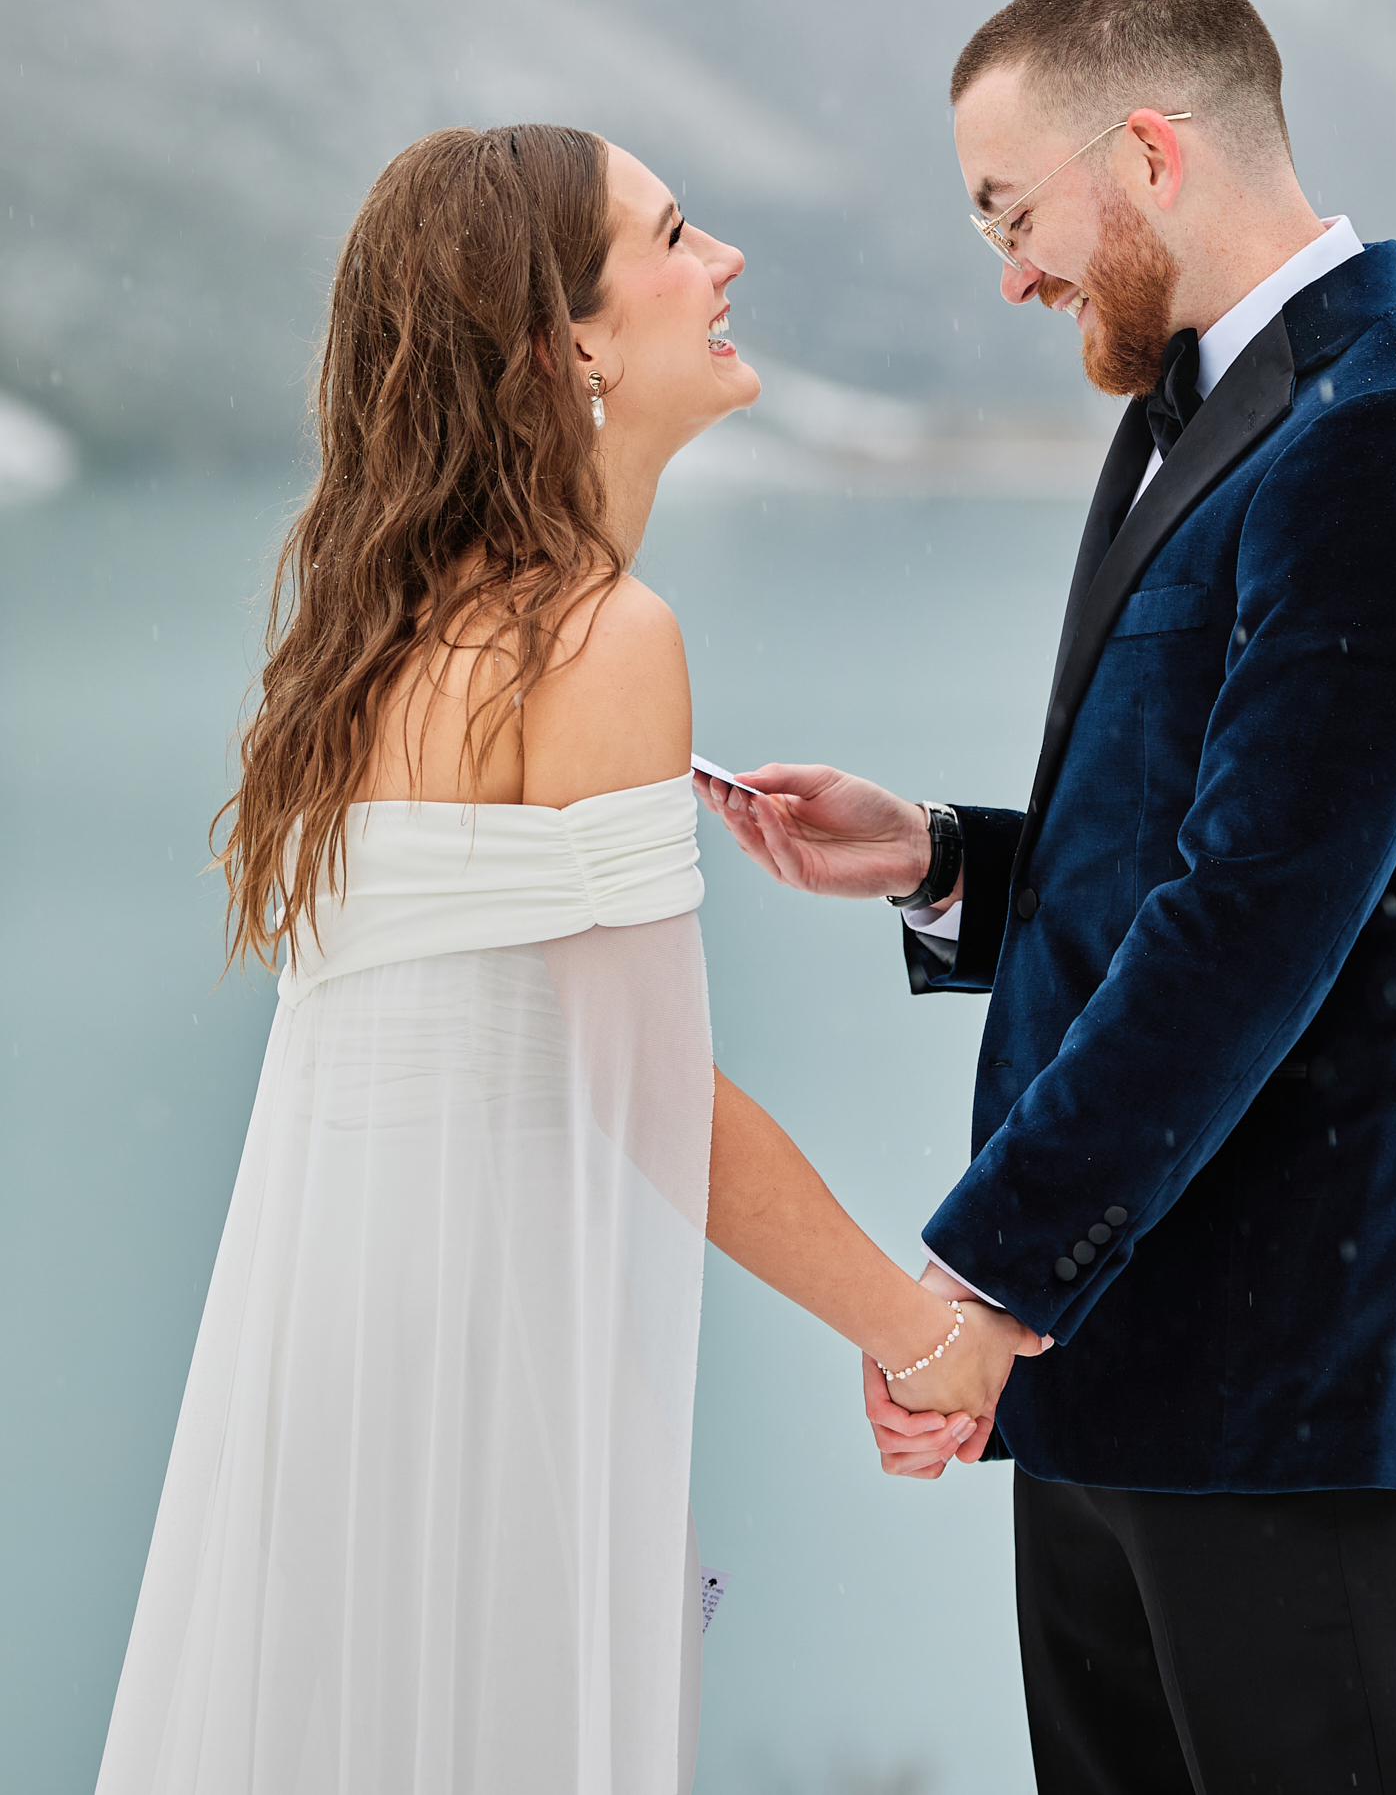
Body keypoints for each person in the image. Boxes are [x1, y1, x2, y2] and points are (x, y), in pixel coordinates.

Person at [94, 123, 1045, 1795]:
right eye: (676, 234)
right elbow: (650, 1096)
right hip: (482, 1366)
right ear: (570, 343)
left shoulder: (377, 639)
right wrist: (919, 1335)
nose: (727, 258)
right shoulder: (603, 640)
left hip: (343, 1350)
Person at [697, 0, 1396, 1795]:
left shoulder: (1389, 441)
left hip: (1290, 1370)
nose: (1009, 269)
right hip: (1119, 1359)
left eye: (1013, 208)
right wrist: (935, 860)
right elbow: (1193, 848)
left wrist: (974, 1296)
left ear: (1151, 151)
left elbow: (1255, 925)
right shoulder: (1209, 403)